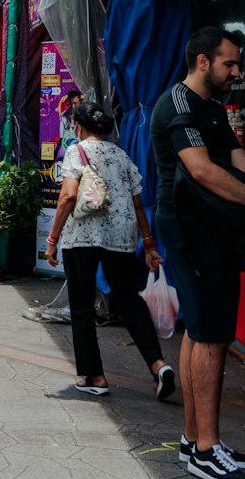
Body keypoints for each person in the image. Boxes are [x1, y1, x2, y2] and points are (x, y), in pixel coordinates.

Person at [151, 27, 245, 479]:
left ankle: (196, 441)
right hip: (188, 226)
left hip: (209, 226)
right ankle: (206, 450)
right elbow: (201, 168)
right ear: (203, 62)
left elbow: (231, 154)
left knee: (202, 330)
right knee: (211, 334)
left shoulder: (210, 106)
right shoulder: (177, 104)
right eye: (229, 63)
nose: (237, 71)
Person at [45, 100, 174, 399]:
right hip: (122, 236)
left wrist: (52, 240)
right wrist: (150, 245)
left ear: (78, 125)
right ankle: (158, 364)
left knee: (81, 305)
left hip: (83, 237)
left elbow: (67, 197)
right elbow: (139, 203)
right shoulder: (121, 155)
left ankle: (94, 376)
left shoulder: (76, 152)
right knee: (129, 301)